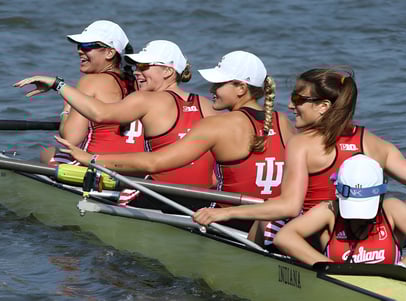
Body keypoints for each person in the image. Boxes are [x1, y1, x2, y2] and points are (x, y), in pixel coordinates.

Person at [49, 51, 295, 235]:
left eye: (219, 84)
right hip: (268, 220)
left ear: (241, 88)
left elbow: (156, 162)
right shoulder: (283, 122)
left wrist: (92, 159)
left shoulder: (218, 124)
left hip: (225, 220)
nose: (212, 89)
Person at [192, 67, 406, 247]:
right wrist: (392, 227)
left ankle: (246, 266)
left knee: (266, 220)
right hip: (361, 236)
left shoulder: (302, 144)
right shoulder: (375, 143)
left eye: (299, 99)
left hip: (318, 237)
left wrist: (224, 212)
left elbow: (289, 207)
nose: (291, 106)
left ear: (324, 106)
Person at [14, 40, 220, 209]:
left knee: (48, 154)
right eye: (137, 66)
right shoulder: (207, 105)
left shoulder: (145, 99)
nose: (137, 72)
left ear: (167, 71)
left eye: (144, 67)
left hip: (161, 197)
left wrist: (58, 85)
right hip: (201, 200)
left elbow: (100, 114)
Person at [274, 154, 406, 271]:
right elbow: (284, 237)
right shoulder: (329, 211)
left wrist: (401, 271)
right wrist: (331, 268)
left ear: (379, 197)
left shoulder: (392, 209)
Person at [41, 20, 144, 166]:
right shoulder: (139, 83)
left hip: (98, 166)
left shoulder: (90, 81)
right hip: (132, 168)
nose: (79, 50)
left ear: (110, 52)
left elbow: (70, 138)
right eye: (79, 46)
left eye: (87, 46)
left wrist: (66, 109)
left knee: (48, 151)